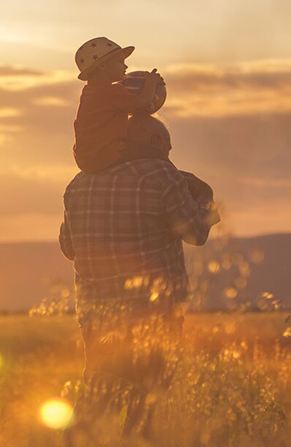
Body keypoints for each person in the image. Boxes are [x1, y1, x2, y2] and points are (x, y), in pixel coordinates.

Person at [60, 36, 221, 436]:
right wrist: (210, 212)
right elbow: (194, 234)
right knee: (147, 396)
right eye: (165, 145)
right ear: (153, 143)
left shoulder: (78, 184)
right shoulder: (160, 174)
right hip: (152, 312)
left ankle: (74, 440)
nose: (168, 153)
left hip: (96, 314)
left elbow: (68, 248)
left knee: (96, 389)